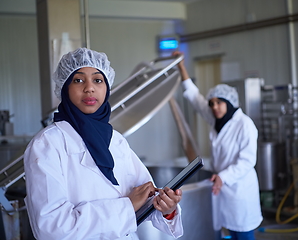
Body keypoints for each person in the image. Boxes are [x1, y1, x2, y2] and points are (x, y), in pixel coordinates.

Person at [24, 48, 183, 240]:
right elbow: (52, 229)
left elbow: (146, 196)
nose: (89, 88)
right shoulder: (47, 144)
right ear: (65, 87)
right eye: (78, 80)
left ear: (107, 88)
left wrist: (167, 208)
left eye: (98, 80)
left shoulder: (116, 141)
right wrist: (127, 206)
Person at [173, 51, 263, 240]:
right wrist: (181, 66)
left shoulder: (244, 125)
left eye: (219, 103)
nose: (214, 107)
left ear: (229, 103)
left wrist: (223, 176)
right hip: (221, 188)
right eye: (212, 103)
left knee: (243, 233)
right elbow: (195, 98)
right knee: (225, 232)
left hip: (239, 190)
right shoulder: (217, 119)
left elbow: (247, 161)